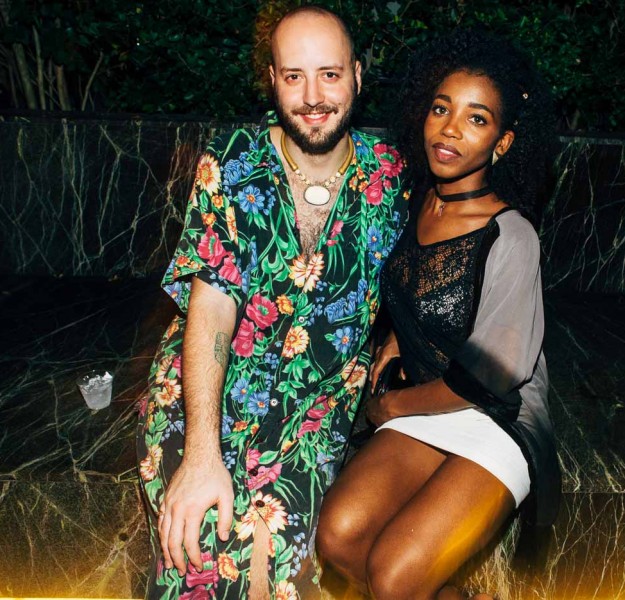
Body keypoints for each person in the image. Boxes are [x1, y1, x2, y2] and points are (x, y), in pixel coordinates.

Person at [136, 7, 409, 599]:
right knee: (199, 534)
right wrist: (202, 454)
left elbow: (443, 261)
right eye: (294, 76)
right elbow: (211, 309)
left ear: (357, 75)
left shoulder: (392, 177)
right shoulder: (234, 161)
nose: (312, 98)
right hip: (209, 384)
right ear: (272, 80)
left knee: (274, 550)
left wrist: (398, 340)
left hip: (316, 402)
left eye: (329, 75)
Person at [316, 31, 562, 599]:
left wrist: (389, 406)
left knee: (394, 574)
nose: (450, 129)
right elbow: (415, 285)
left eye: (477, 119)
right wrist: (400, 338)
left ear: (502, 143)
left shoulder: (511, 235)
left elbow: (489, 380)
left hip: (496, 416)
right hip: (432, 398)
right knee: (339, 537)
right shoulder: (418, 199)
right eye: (441, 109)